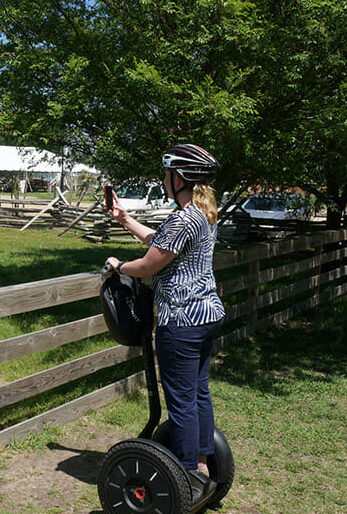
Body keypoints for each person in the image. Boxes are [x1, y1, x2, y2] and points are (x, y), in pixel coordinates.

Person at [104, 144, 225, 498]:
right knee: (198, 393)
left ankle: (187, 474)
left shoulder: (184, 218)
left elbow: (149, 264)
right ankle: (202, 463)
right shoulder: (204, 213)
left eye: (166, 173)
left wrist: (118, 266)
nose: (163, 179)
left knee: (181, 401)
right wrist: (125, 219)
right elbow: (162, 244)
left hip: (182, 321)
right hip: (206, 315)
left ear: (180, 178)